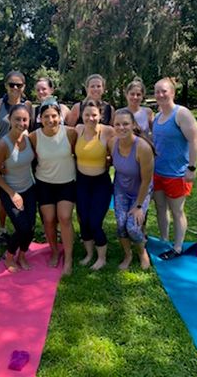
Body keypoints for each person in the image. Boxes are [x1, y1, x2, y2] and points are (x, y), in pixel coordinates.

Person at [152, 77, 197, 260]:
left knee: (177, 211)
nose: (160, 94)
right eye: (157, 91)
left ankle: (178, 247)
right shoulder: (157, 117)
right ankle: (164, 240)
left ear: (172, 92)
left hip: (177, 174)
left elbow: (194, 140)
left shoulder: (181, 114)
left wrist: (192, 168)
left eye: (164, 90)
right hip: (158, 172)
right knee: (160, 208)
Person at [29, 98, 77, 276]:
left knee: (64, 218)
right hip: (44, 183)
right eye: (46, 117)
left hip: (67, 182)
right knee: (48, 220)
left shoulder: (70, 133)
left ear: (60, 116)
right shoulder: (34, 137)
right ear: (40, 118)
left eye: (54, 116)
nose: (51, 120)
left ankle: (69, 258)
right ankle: (55, 251)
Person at [0, 71, 32, 246]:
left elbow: (30, 128)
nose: (15, 88)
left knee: (23, 188)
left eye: (19, 85)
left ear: (24, 87)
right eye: (11, 84)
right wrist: (1, 140)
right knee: (1, 196)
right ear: (5, 85)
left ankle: (21, 227)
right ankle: (2, 228)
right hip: (3, 153)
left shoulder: (27, 105)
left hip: (21, 153)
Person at [0, 104, 36, 272]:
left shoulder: (28, 138)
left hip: (29, 188)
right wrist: (12, 193)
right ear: (9, 120)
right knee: (22, 227)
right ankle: (9, 257)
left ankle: (22, 255)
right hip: (10, 190)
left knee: (31, 227)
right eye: (17, 119)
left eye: (25, 119)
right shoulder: (3, 145)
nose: (21, 123)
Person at [108, 109, 154, 270]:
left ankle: (142, 253)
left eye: (125, 124)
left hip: (140, 190)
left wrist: (139, 206)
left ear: (133, 125)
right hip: (121, 188)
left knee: (132, 227)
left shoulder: (143, 148)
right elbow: (109, 160)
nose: (121, 127)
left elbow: (147, 180)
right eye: (117, 124)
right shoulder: (112, 142)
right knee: (121, 224)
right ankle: (128, 254)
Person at [75, 100, 114, 270]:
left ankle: (101, 258)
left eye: (94, 115)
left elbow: (119, 152)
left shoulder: (108, 132)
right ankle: (89, 254)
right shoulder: (78, 130)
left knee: (95, 221)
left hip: (101, 183)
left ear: (100, 115)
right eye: (87, 115)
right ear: (82, 116)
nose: (91, 118)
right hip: (82, 182)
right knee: (83, 220)